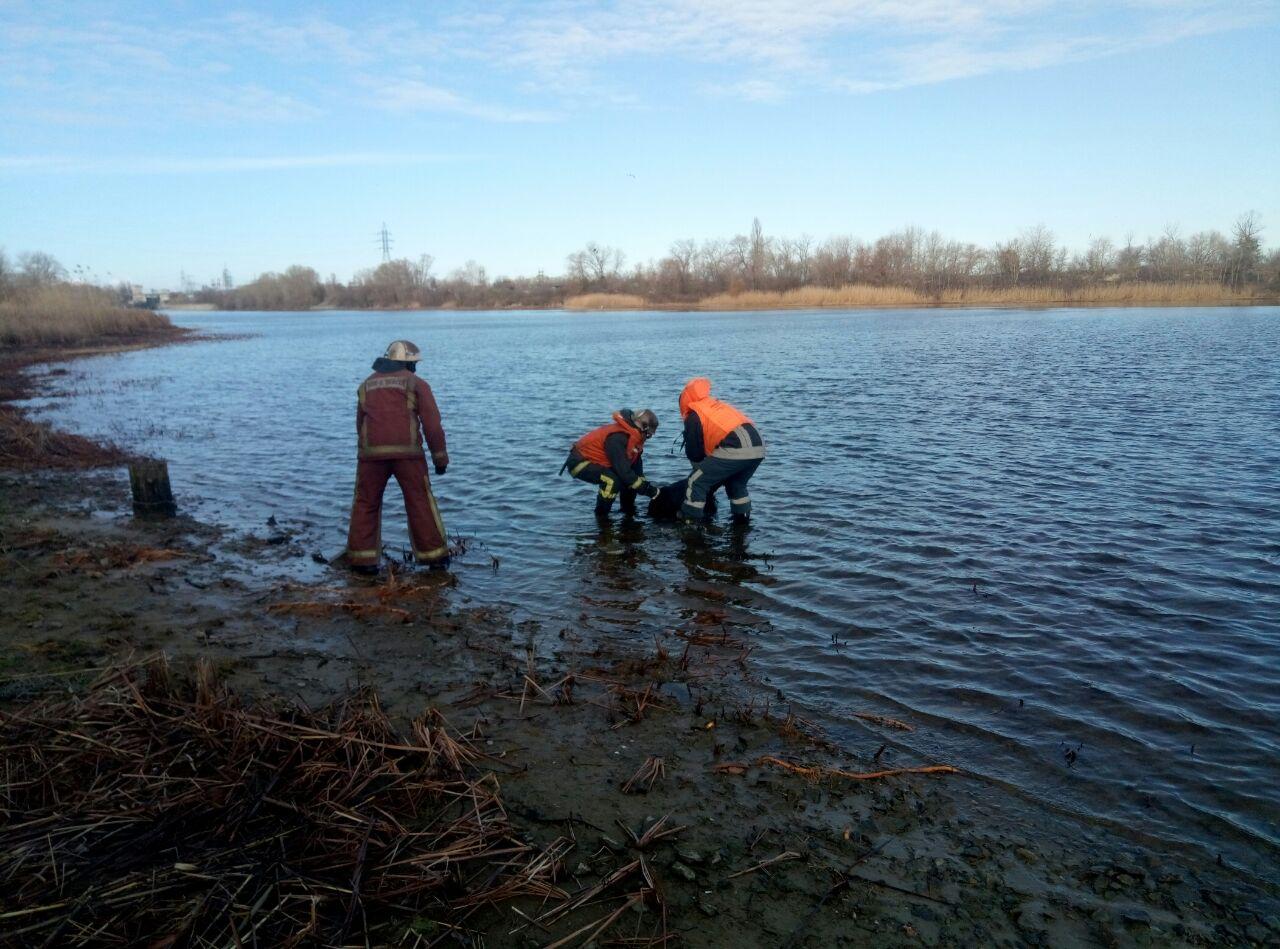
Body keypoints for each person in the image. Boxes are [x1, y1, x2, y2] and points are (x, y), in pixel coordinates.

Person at [345, 340, 450, 572]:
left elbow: (360, 424)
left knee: (365, 502)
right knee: (419, 501)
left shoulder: (366, 384)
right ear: (407, 363)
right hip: (408, 455)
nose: (415, 368)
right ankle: (434, 558)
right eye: (414, 364)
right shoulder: (416, 383)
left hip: (371, 455)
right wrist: (440, 459)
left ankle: (363, 561)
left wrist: (365, 452)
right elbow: (432, 425)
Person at [678, 377, 764, 524]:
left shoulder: (694, 414)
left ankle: (690, 524)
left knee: (696, 481)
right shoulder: (716, 405)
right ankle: (742, 524)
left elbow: (694, 453)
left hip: (736, 446)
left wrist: (702, 471)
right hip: (758, 446)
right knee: (736, 483)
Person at [564, 409, 660, 518]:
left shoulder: (634, 439)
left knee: (632, 480)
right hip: (579, 463)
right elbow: (624, 472)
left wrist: (646, 486)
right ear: (643, 428)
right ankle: (602, 516)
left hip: (600, 462)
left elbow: (635, 469)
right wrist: (650, 491)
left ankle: (628, 511)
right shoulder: (618, 438)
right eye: (648, 435)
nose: (648, 438)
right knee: (611, 480)